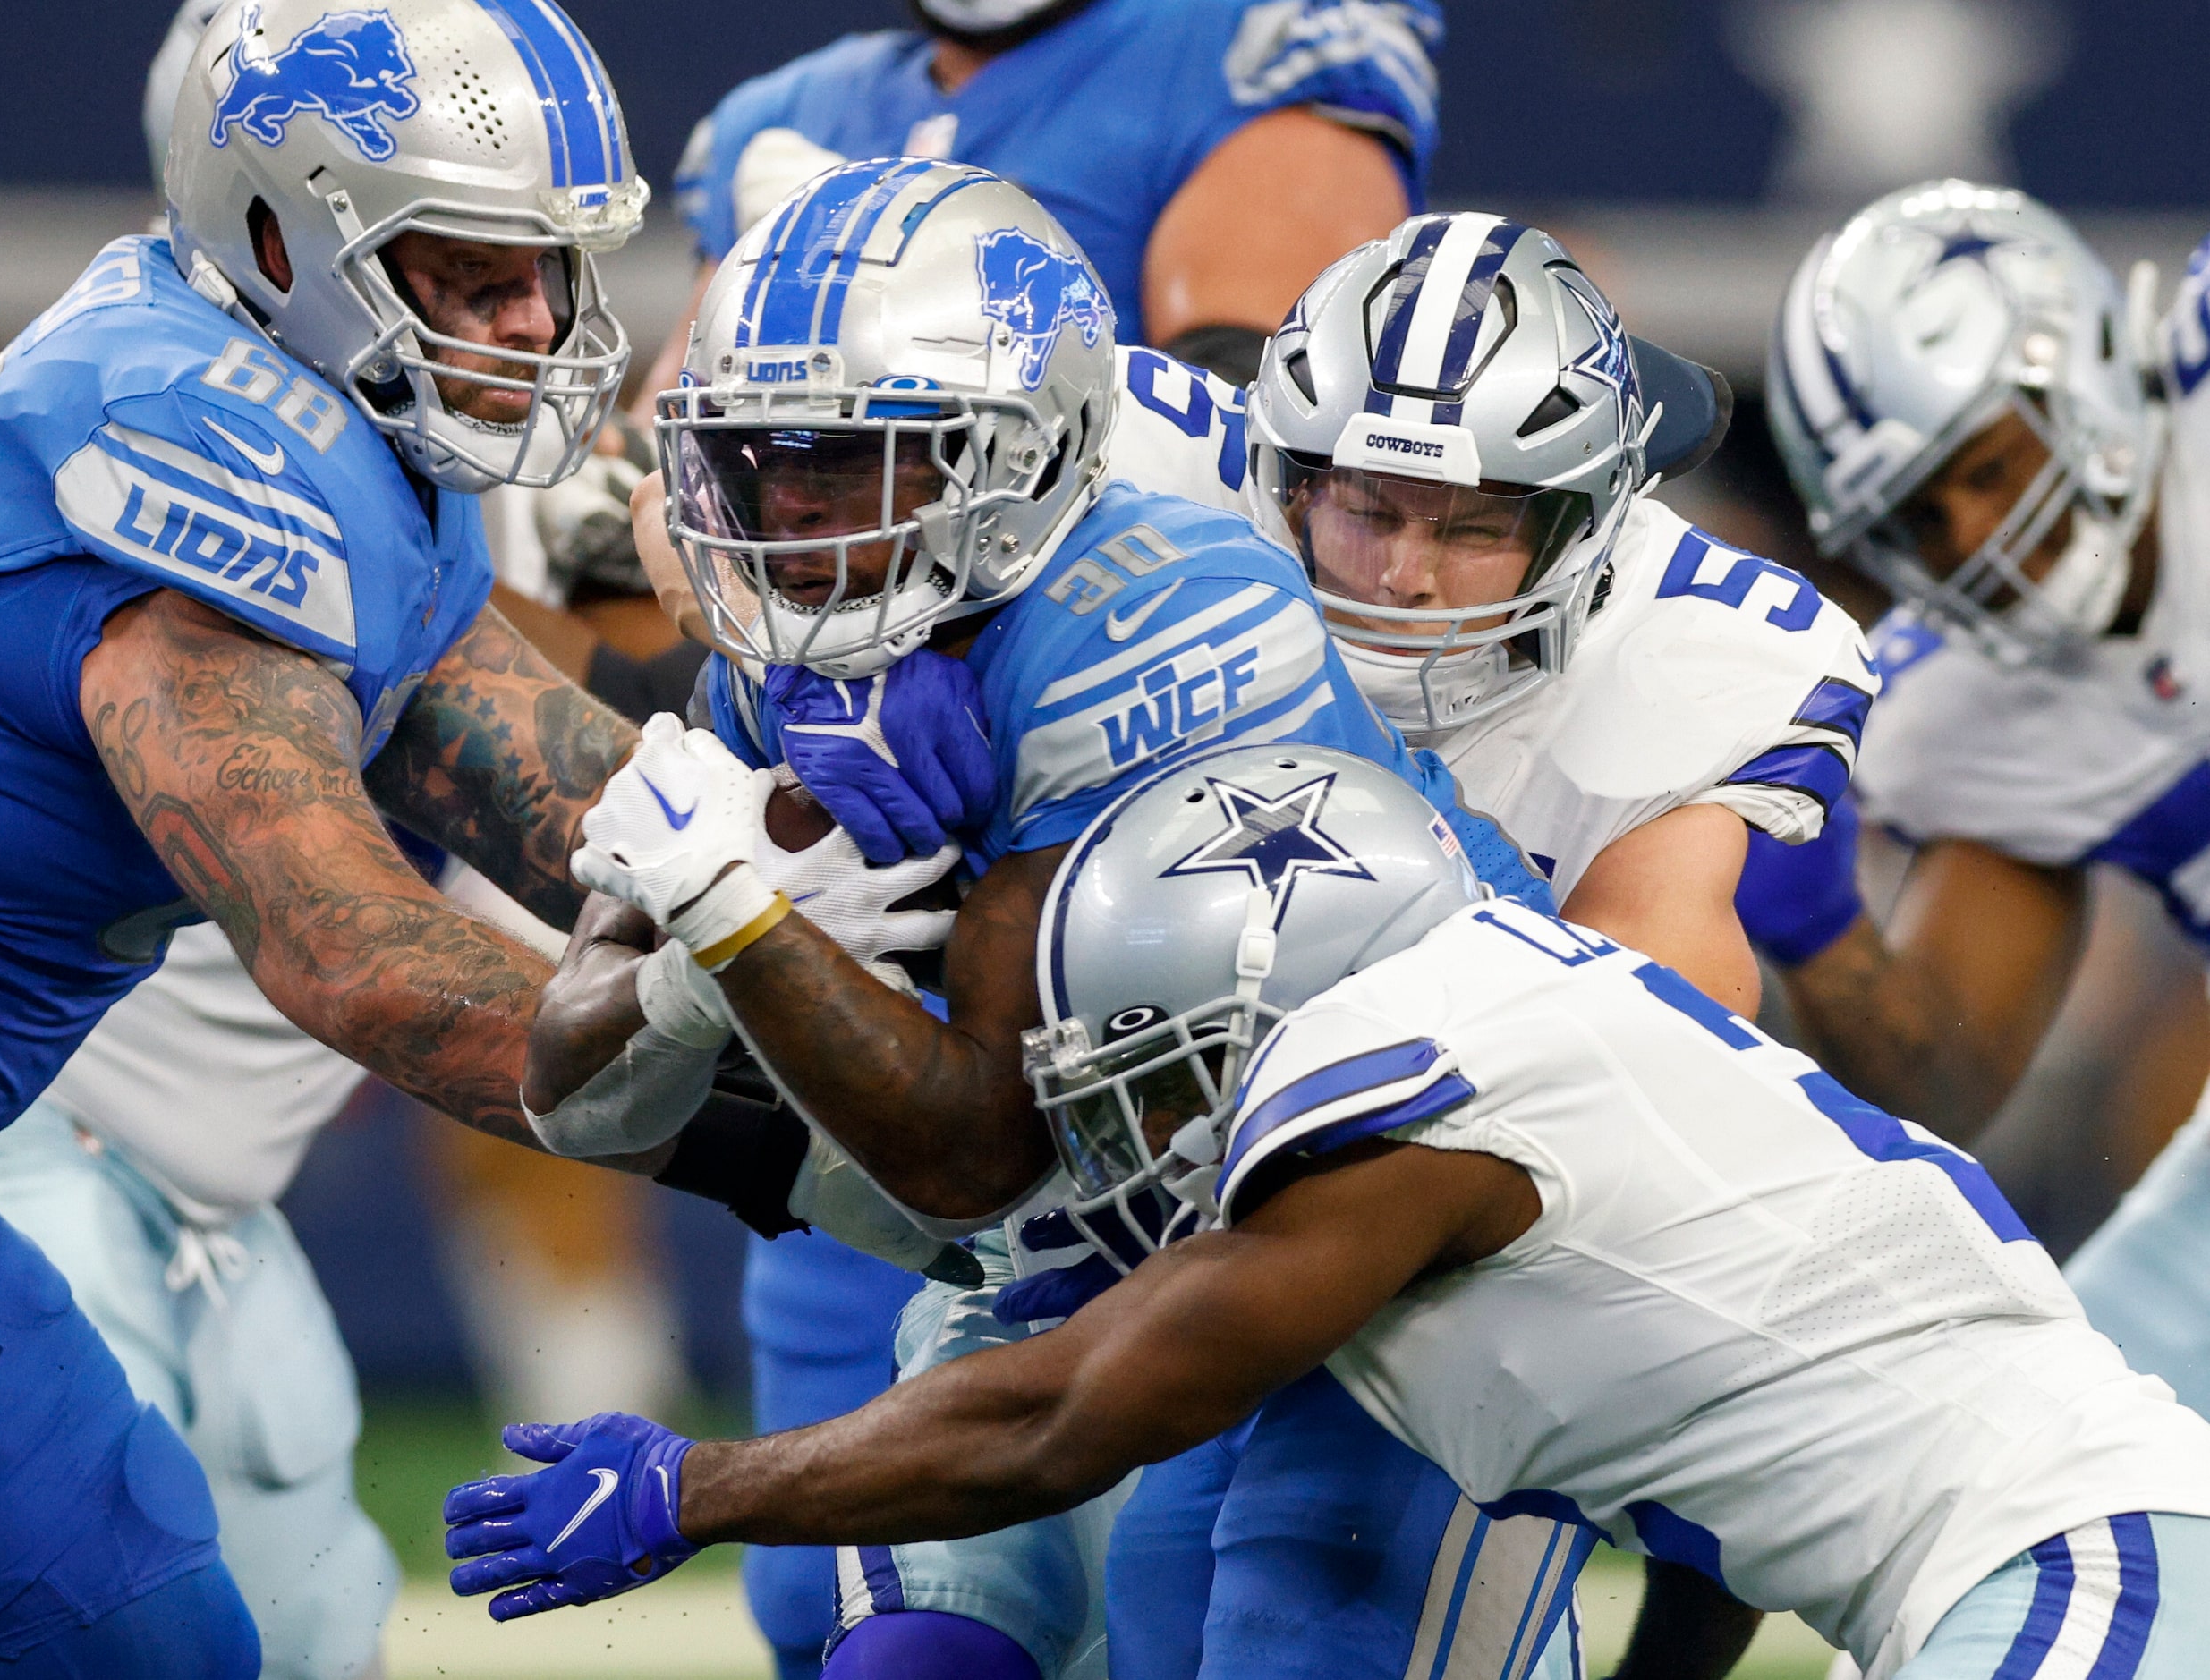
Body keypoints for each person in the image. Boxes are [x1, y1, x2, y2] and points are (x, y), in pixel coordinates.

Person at [0, 0, 834, 1670]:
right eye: (469, 270)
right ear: (285, 238)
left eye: (550, 269)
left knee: (158, 1637)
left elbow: (574, 801)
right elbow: (356, 954)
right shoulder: (189, 434)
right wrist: (795, 1147)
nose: (533, 321)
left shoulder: (352, 434)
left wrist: (882, 938)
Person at [445, 742, 2210, 1680]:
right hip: (2068, 1560)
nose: (1146, 1143)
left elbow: (1062, 1419)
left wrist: (695, 1487)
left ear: (1302, 1008)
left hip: (2077, 1564)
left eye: (1167, 1078)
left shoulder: (1402, 1093)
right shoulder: (1558, 1042)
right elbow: (1726, 1495)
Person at [509, 158, 1568, 1680]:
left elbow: (972, 1144)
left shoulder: (1165, 618)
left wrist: (740, 916)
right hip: (1085, 1233)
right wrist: (691, 956)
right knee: (908, 1660)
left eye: (847, 463)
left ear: (1005, 458)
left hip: (1385, 1230)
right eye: (756, 463)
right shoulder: (782, 654)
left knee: (1230, 1628)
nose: (789, 516)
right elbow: (575, 1095)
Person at [1067, 212, 1878, 1680]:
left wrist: (1447, 873)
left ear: (1587, 526)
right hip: (1180, 1207)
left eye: (1476, 524)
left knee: (1318, 1629)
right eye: (1369, 508)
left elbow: (1645, 1055)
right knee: (1155, 1616)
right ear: (1282, 477)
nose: (1406, 576)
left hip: (1494, 1243)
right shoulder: (1145, 481)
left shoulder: (1695, 652)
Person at [1749, 181, 2210, 1407]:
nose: (1970, 533)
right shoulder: (1954, 709)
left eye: (1987, 466)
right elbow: (1942, 1078)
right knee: (2078, 1455)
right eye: (1916, 514)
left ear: (2083, 373)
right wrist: (1813, 923)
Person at [659, 0, 1443, 397]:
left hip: (1088, 629)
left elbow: (1251, 438)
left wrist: (895, 300)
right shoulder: (780, 110)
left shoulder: (1232, 50)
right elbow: (671, 434)